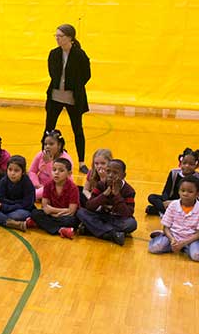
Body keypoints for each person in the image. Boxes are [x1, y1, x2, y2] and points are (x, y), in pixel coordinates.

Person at [44, 24, 91, 173]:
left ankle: (82, 162)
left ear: (69, 38)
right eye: (56, 36)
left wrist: (74, 86)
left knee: (77, 129)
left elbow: (86, 75)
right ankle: (44, 158)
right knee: (48, 128)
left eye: (60, 36)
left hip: (73, 97)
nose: (57, 39)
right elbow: (52, 73)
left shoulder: (80, 55)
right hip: (55, 95)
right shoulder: (54, 54)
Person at [76, 158, 137, 246]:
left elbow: (127, 213)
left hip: (117, 219)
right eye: (108, 171)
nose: (110, 175)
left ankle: (92, 229)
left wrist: (117, 195)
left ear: (123, 175)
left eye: (115, 173)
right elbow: (89, 206)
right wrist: (104, 195)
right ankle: (112, 234)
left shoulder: (129, 190)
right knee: (80, 212)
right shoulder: (101, 184)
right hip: (101, 216)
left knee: (131, 224)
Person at [148, 177, 199, 261]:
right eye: (182, 190)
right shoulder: (173, 205)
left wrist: (183, 243)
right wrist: (172, 240)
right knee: (153, 248)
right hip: (173, 237)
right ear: (179, 191)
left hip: (191, 240)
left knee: (197, 255)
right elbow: (166, 227)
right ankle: (178, 247)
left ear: (198, 194)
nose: (185, 194)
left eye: (190, 191)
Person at [0, 155, 36, 231]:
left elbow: (27, 204)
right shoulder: (4, 181)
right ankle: (12, 223)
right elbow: (0, 199)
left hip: (20, 209)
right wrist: (6, 205)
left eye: (16, 171)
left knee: (21, 215)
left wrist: (6, 206)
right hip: (6, 207)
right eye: (10, 169)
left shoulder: (27, 183)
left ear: (23, 172)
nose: (12, 173)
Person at [29, 157, 81, 238]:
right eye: (54, 170)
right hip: (57, 214)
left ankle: (42, 225)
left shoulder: (73, 188)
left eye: (61, 170)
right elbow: (45, 207)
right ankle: (61, 230)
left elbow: (71, 211)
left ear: (69, 173)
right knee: (35, 213)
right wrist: (54, 212)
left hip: (65, 217)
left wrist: (52, 211)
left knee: (71, 221)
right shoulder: (48, 185)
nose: (56, 173)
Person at [145, 148, 199, 216]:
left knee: (194, 207)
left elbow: (198, 197)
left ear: (196, 165)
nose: (187, 166)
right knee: (151, 197)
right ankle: (169, 212)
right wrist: (166, 201)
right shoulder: (174, 173)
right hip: (170, 200)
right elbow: (166, 191)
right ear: (180, 163)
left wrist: (175, 203)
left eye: (191, 164)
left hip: (188, 202)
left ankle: (161, 211)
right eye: (184, 163)